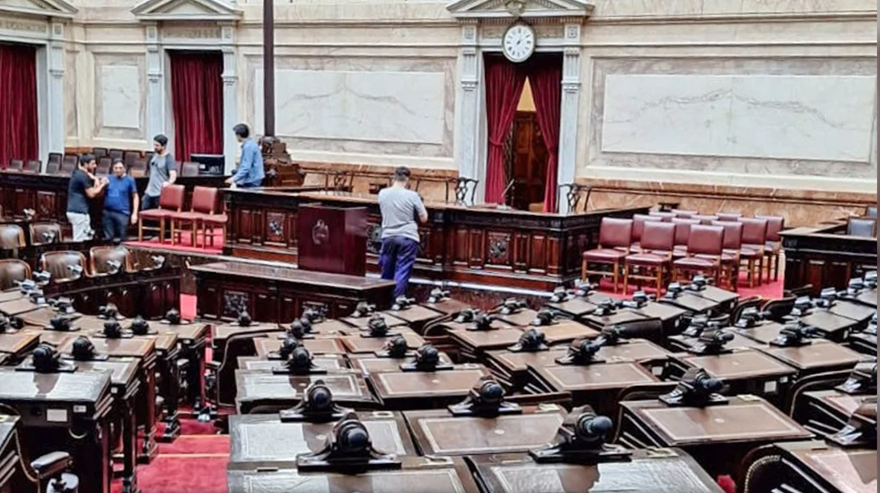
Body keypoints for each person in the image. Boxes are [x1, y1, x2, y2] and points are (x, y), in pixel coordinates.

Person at [378, 167, 428, 299]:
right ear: (408, 179)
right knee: (402, 270)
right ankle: (397, 300)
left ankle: (382, 299)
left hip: (388, 236)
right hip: (407, 237)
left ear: (393, 177)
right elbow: (424, 218)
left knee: (386, 269)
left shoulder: (382, 193)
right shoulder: (413, 196)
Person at [66, 154, 108, 241]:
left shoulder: (77, 173)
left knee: (86, 237)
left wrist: (96, 179)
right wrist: (103, 185)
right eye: (93, 164)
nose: (95, 166)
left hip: (75, 210)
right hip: (79, 212)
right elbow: (91, 194)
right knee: (79, 240)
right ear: (85, 164)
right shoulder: (82, 176)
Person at [102, 160, 139, 243]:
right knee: (108, 238)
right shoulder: (108, 178)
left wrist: (134, 214)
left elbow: (135, 196)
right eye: (116, 168)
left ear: (124, 169)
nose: (118, 170)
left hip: (122, 213)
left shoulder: (130, 180)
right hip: (108, 212)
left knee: (123, 237)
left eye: (120, 168)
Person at [143, 134, 177, 210]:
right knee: (144, 212)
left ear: (163, 146)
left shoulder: (169, 158)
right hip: (149, 192)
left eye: (157, 145)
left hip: (160, 193)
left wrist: (169, 183)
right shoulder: (154, 156)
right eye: (154, 145)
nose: (155, 147)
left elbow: (173, 175)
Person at [226, 123, 264, 188]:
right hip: (255, 177)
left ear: (238, 135)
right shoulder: (251, 143)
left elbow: (246, 166)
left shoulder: (248, 147)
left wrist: (234, 178)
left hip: (252, 179)